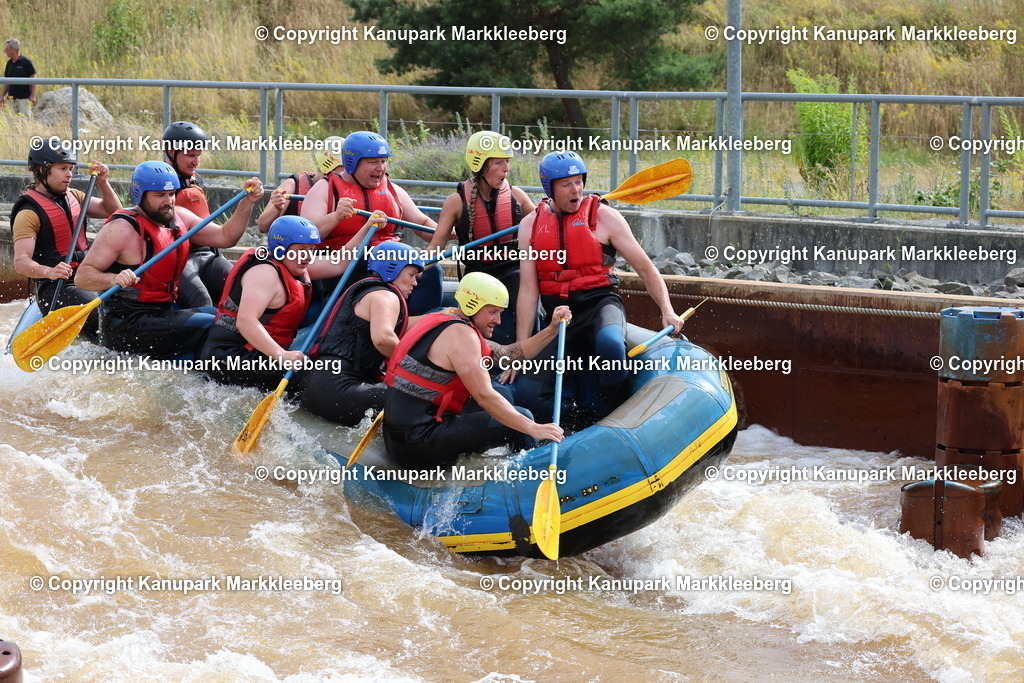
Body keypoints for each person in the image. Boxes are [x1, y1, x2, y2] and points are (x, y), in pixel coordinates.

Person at [515, 151, 682, 423]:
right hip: (559, 317)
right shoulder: (529, 226)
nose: (576, 189)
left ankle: (619, 416)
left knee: (611, 346)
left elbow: (645, 268)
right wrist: (522, 348)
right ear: (550, 188)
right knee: (526, 393)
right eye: (566, 184)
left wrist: (667, 310)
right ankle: (579, 422)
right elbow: (527, 291)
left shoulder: (605, 217)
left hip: (600, 305)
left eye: (579, 181)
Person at [74, 161, 264, 359]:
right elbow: (82, 277)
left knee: (219, 315)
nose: (168, 201)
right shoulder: (120, 229)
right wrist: (113, 279)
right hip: (126, 322)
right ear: (140, 194)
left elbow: (226, 237)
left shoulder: (179, 217)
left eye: (171, 194)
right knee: (211, 324)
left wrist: (247, 203)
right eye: (159, 195)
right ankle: (214, 376)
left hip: (161, 311)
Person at [383, 271, 570, 470]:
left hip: (400, 437)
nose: (498, 320)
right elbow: (484, 396)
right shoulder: (463, 337)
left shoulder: (443, 319)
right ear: (473, 305)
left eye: (500, 312)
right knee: (522, 420)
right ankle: (528, 477)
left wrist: (551, 330)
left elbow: (507, 355)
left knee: (503, 394)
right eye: (492, 312)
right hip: (418, 444)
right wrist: (534, 429)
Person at [200, 213, 385, 390]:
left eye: (311, 250)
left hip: (258, 353)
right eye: (302, 250)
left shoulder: (292, 262)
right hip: (230, 356)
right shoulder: (264, 273)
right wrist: (282, 355)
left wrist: (367, 227)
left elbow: (338, 262)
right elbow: (246, 321)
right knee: (313, 379)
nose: (307, 256)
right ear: (281, 248)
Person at [300, 130, 442, 313]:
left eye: (383, 161)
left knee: (431, 271)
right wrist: (335, 216)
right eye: (373, 162)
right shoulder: (325, 189)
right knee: (378, 267)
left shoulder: (394, 190)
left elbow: (421, 222)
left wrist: (443, 231)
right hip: (346, 263)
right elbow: (306, 237)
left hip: (392, 259)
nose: (380, 168)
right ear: (352, 163)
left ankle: (418, 330)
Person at [427, 131, 535, 344]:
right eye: (499, 163)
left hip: (512, 272)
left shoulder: (517, 197)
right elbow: (435, 250)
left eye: (507, 161)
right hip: (478, 276)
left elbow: (545, 225)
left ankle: (522, 349)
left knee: (521, 278)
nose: (507, 168)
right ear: (480, 165)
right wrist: (411, 269)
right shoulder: (456, 202)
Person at [299, 242, 424, 425]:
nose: (415, 283)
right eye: (411, 275)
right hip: (339, 388)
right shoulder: (386, 295)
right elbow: (383, 339)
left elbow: (399, 326)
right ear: (392, 269)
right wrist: (418, 369)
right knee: (420, 399)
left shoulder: (370, 293)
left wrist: (439, 318)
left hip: (314, 385)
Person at [11, 138, 122, 339]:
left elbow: (114, 211)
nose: (69, 174)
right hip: (57, 287)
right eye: (62, 168)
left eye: (70, 168)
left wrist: (103, 183)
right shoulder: (28, 212)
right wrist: (50, 272)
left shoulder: (76, 196)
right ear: (42, 170)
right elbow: (21, 262)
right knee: (102, 314)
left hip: (87, 275)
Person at [161, 120, 234, 308]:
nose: (196, 161)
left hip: (206, 253)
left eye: (199, 155)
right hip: (178, 257)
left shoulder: (194, 179)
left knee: (238, 287)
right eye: (191, 155)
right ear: (171, 151)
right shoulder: (158, 182)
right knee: (201, 299)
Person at [256, 136, 345, 234]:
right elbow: (263, 227)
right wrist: (277, 208)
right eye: (344, 167)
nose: (347, 174)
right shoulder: (292, 185)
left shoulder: (348, 189)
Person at [1, 39, 36, 118]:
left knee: (25, 123)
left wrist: (33, 95)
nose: (5, 51)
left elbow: (33, 78)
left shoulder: (26, 62)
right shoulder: (9, 63)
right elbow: (7, 81)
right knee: (11, 123)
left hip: (24, 98)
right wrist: (2, 96)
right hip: (11, 98)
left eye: (7, 49)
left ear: (14, 50)